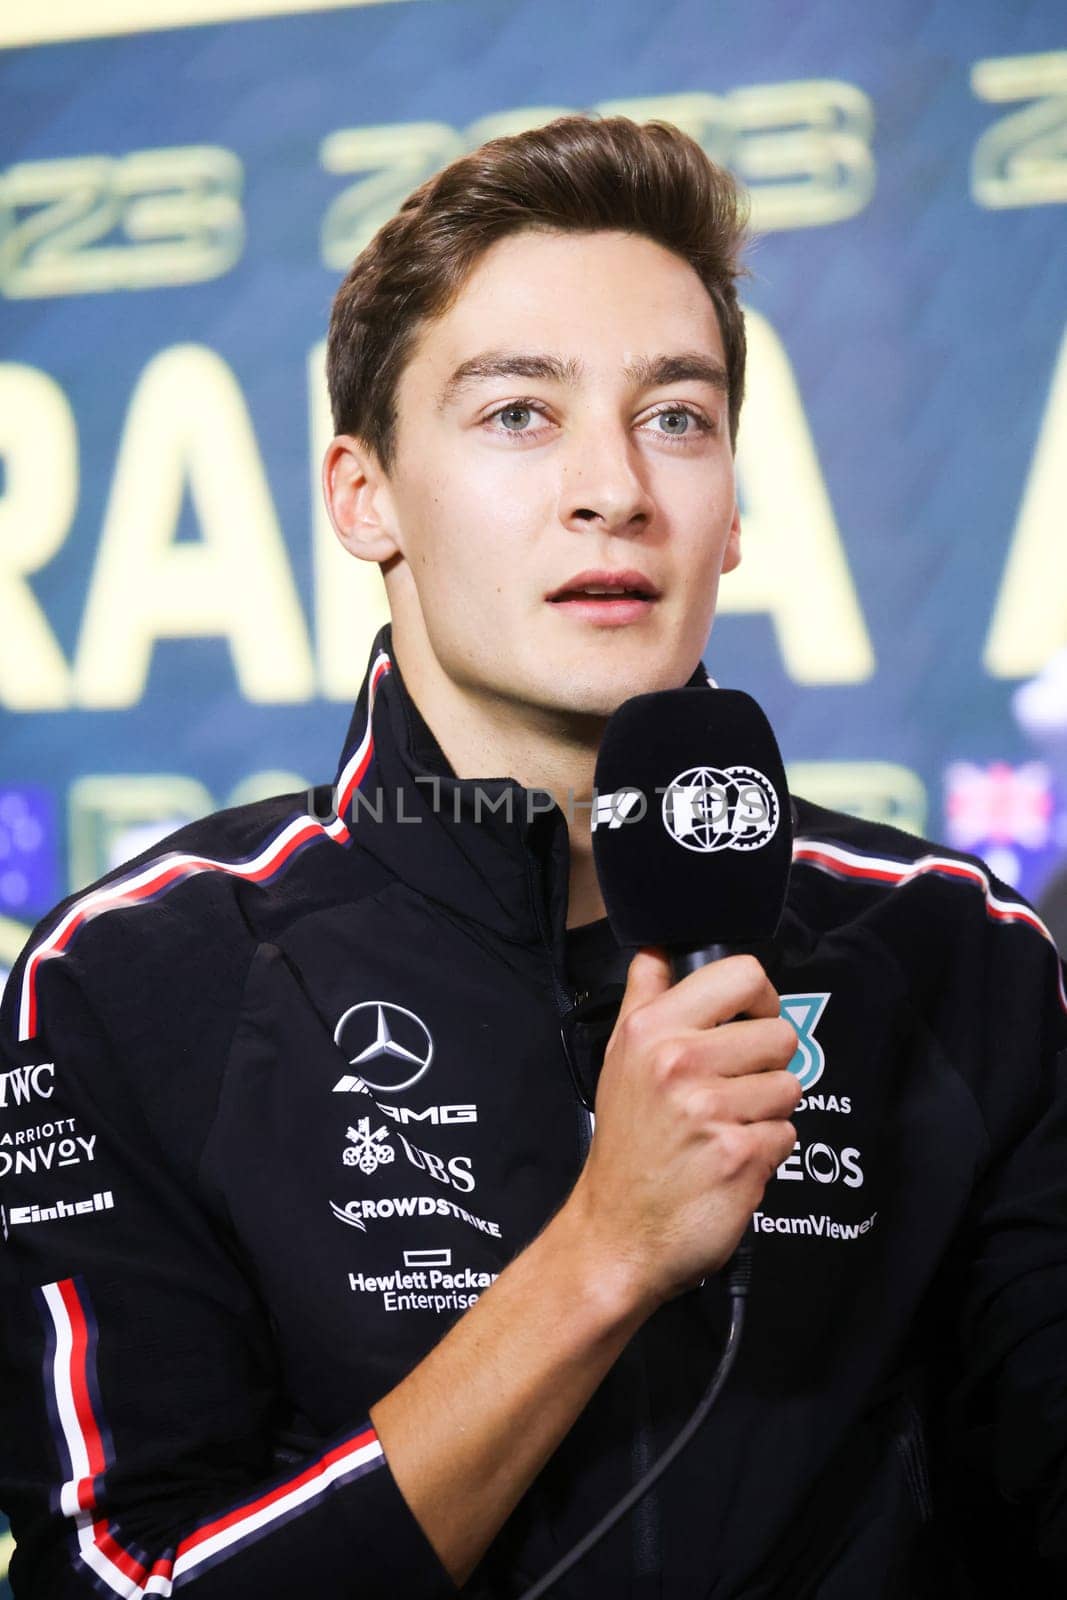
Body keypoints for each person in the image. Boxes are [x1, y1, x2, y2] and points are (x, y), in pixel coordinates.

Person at [1, 115, 1065, 1600]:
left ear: (736, 511)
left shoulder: (959, 958)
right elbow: (118, 1583)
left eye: (677, 418)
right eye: (518, 414)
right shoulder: (131, 980)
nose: (614, 488)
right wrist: (603, 1254)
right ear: (362, 492)